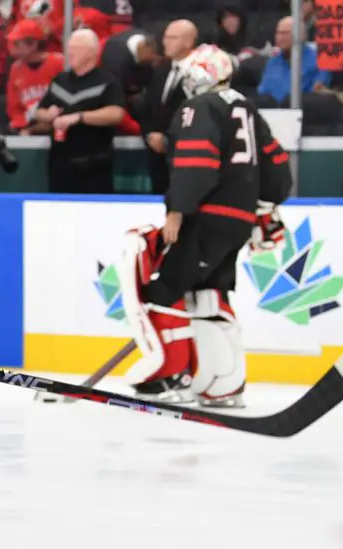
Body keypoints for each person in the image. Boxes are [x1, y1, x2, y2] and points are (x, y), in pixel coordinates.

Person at [117, 45, 292, 407]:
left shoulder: (199, 107)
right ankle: (223, 386)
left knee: (164, 291)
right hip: (237, 221)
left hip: (206, 217)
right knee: (209, 294)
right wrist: (263, 208)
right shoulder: (246, 108)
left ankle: (170, 377)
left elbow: (195, 163)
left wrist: (177, 211)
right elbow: (277, 170)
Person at [34, 29, 125, 193]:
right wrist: (48, 115)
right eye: (69, 48)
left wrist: (79, 117)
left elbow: (116, 113)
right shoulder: (60, 80)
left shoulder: (107, 81)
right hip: (60, 162)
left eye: (76, 48)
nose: (70, 52)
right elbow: (40, 111)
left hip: (94, 163)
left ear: (92, 52)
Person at [143, 19, 197, 194]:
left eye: (172, 38)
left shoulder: (201, 73)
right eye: (165, 37)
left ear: (189, 42)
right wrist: (151, 135)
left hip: (187, 156)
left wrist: (168, 140)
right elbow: (148, 107)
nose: (166, 42)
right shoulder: (160, 71)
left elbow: (197, 113)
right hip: (158, 159)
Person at [6, 18, 64, 134]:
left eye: (17, 43)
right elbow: (14, 108)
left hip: (57, 125)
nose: (12, 47)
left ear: (33, 44)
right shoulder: (15, 68)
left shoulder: (59, 63)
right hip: (27, 126)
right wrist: (24, 126)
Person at [257, 16, 329, 103]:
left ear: (300, 35)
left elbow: (316, 92)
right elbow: (262, 91)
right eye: (278, 33)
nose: (279, 37)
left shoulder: (319, 61)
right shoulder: (272, 61)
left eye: (284, 33)